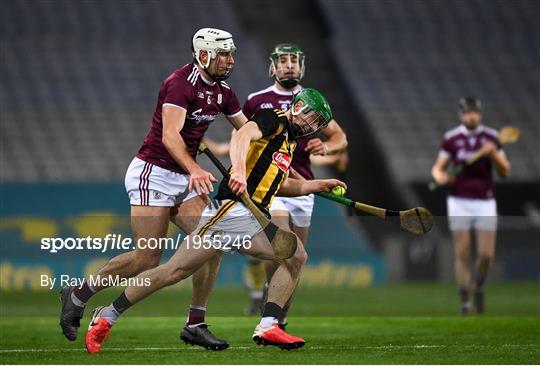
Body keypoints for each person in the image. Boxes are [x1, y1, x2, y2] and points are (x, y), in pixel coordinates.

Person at [84, 88, 346, 352]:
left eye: (317, 125)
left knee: (294, 255)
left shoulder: (288, 141)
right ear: (298, 107)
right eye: (312, 118)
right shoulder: (274, 119)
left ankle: (268, 325)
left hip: (252, 220)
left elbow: (280, 185)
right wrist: (240, 171)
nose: (312, 126)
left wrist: (317, 184)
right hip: (229, 212)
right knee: (173, 271)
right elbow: (243, 135)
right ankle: (107, 315)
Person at [59, 27, 248, 350]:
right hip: (154, 173)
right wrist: (194, 168)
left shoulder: (224, 92)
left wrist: (265, 155)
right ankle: (78, 293)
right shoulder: (179, 84)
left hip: (184, 178)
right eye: (224, 54)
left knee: (214, 241)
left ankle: (195, 323)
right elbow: (170, 136)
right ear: (203, 55)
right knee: (148, 257)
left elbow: (247, 132)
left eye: (231, 54)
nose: (230, 60)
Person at [242, 44, 348, 320]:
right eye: (283, 60)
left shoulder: (311, 100)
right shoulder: (257, 100)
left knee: (296, 259)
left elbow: (340, 138)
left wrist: (325, 148)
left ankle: (279, 316)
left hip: (303, 186)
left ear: (301, 66)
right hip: (274, 185)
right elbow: (243, 134)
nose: (289, 65)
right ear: (273, 66)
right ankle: (269, 309)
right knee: (284, 249)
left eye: (294, 61)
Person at [431, 97, 510, 315]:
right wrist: (440, 178)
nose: (471, 116)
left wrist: (493, 154)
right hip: (459, 200)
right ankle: (464, 294)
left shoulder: (492, 138)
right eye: (467, 112)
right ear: (461, 114)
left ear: (480, 114)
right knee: (463, 251)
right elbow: (438, 168)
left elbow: (505, 171)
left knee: (486, 255)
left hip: (485, 200)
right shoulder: (452, 139)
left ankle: (478, 286)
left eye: (474, 112)